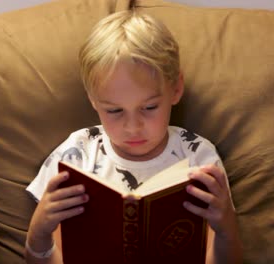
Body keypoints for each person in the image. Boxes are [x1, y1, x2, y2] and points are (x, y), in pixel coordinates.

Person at [24, 8, 243, 264]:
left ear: (176, 88)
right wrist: (38, 233)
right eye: (114, 110)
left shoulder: (198, 156)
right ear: (93, 101)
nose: (133, 126)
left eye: (149, 108)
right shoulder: (76, 155)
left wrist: (226, 227)